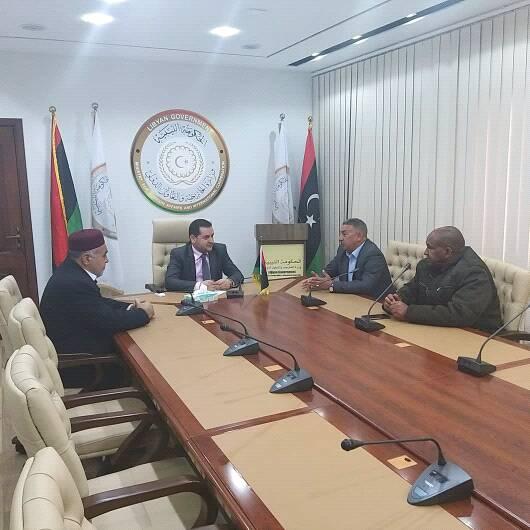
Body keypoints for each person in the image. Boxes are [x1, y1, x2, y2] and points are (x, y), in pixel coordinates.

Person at [40, 229, 154, 385]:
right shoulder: (74, 283)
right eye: (104, 255)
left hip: (78, 350)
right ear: (87, 259)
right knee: (142, 364)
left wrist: (129, 307)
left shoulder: (71, 272)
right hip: (83, 366)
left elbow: (98, 303)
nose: (107, 260)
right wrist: (143, 314)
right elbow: (108, 321)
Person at [383, 226, 502, 331]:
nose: (425, 252)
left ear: (447, 251)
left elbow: (459, 314)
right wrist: (396, 300)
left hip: (477, 335)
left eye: (429, 247)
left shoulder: (474, 273)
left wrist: (409, 312)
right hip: (437, 329)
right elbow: (413, 289)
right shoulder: (426, 265)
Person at [302, 218, 392, 298]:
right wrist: (318, 280)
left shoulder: (373, 255)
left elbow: (366, 285)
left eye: (344, 234)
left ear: (359, 236)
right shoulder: (343, 250)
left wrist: (331, 285)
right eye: (340, 234)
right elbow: (330, 270)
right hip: (349, 298)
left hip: (375, 302)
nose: (340, 238)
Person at [165, 218, 244, 292]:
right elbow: (170, 282)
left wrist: (230, 282)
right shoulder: (179, 254)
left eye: (212, 236)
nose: (211, 241)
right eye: (206, 237)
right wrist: (199, 286)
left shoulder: (219, 250)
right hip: (190, 298)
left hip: (215, 297)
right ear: (193, 238)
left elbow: (237, 274)